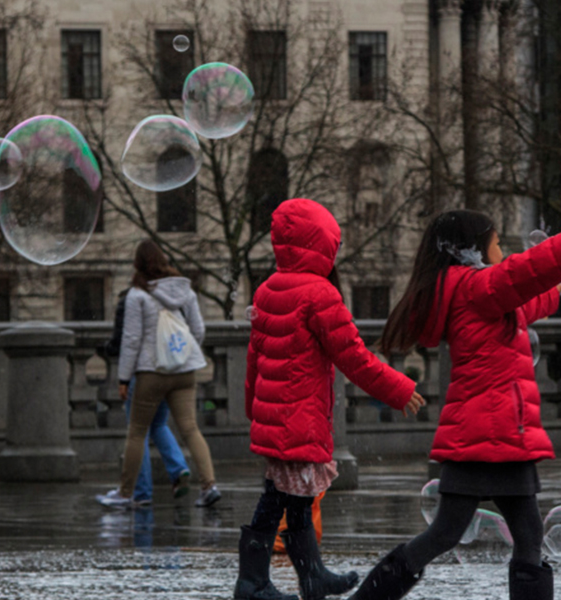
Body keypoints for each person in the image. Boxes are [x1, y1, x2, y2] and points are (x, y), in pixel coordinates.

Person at [351, 194, 561, 600]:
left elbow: (519, 305)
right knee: (460, 535)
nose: (503, 253)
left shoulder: (473, 292)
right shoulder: (477, 285)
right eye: (497, 244)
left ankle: (367, 598)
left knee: (492, 536)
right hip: (489, 436)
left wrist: (553, 290)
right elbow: (526, 270)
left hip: (494, 436)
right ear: (473, 250)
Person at [234, 198, 425, 600]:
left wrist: (254, 410)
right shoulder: (320, 295)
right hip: (299, 417)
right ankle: (254, 582)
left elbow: (254, 360)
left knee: (292, 498)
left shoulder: (267, 289)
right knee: (280, 500)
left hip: (275, 417)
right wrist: (400, 388)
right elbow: (354, 357)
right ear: (322, 243)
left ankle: (308, 575)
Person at [97, 240, 220, 508]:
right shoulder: (184, 290)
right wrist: (183, 355)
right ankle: (209, 485)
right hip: (185, 370)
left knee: (137, 432)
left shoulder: (137, 294)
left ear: (137, 265)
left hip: (152, 371)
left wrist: (123, 378)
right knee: (190, 428)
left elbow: (131, 340)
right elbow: (198, 330)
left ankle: (126, 493)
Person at [102, 288, 192, 506]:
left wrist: (110, 358)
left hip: (144, 374)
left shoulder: (131, 298)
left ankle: (141, 492)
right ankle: (179, 467)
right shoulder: (174, 294)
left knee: (137, 430)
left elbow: (124, 340)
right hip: (171, 369)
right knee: (159, 424)